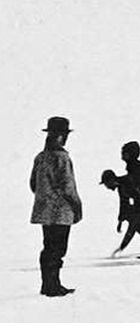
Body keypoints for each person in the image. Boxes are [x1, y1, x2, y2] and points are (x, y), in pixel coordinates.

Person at [29, 116, 82, 297]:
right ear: (61, 136)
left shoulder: (40, 157)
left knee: (48, 247)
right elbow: (68, 186)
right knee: (58, 249)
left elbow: (33, 184)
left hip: (44, 210)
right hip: (61, 211)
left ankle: (48, 284)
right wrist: (77, 206)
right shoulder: (62, 157)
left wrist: (45, 195)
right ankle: (53, 286)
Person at [100, 169, 140, 258]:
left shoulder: (126, 183)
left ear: (111, 180)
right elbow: (123, 203)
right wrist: (120, 221)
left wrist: (122, 247)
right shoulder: (121, 186)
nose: (106, 187)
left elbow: (139, 197)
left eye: (106, 184)